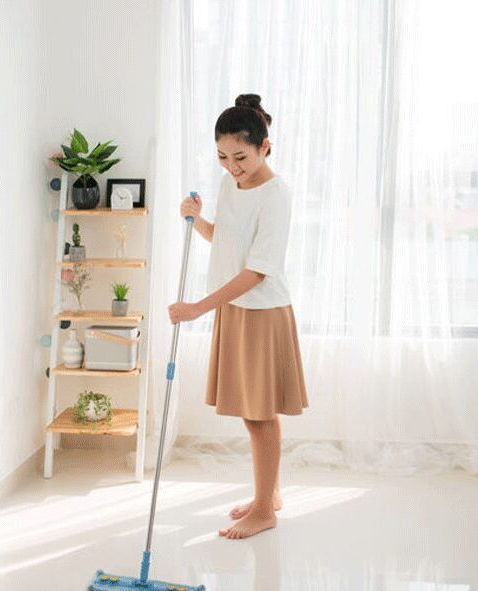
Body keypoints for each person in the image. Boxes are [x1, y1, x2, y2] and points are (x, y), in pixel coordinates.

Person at [168, 93, 308, 539]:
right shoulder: (232, 184)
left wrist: (197, 308)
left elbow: (256, 270)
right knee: (255, 412)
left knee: (259, 414)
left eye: (241, 156)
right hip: (235, 307)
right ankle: (270, 496)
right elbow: (229, 246)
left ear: (265, 146)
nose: (231, 165)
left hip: (261, 311)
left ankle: (264, 509)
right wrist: (197, 220)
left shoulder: (276, 194)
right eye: (222, 156)